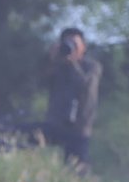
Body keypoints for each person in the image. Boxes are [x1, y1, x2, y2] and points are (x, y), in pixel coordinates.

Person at [43, 27, 102, 169]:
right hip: (56, 124)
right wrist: (53, 59)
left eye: (75, 44)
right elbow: (41, 81)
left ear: (84, 47)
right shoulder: (59, 66)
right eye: (67, 44)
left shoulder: (92, 67)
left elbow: (84, 84)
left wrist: (72, 62)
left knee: (77, 169)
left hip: (79, 129)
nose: (71, 48)